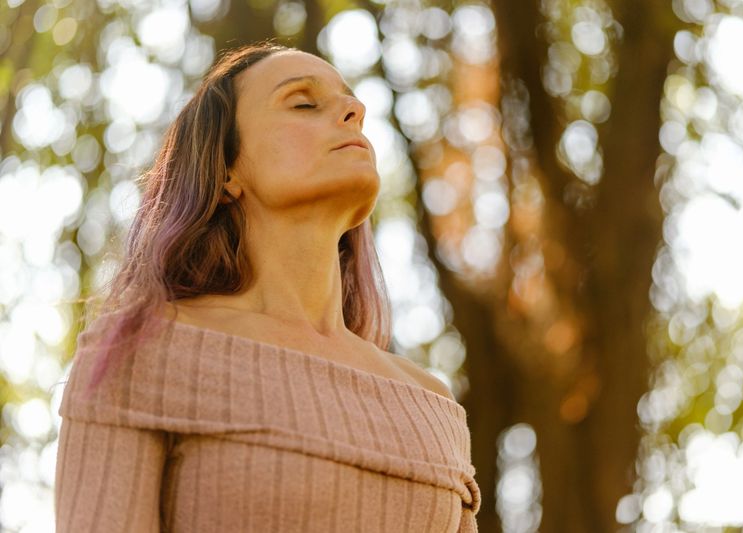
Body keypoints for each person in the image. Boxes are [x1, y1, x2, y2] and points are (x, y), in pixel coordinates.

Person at [53, 40, 481, 532]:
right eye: (303, 103)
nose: (354, 110)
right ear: (225, 170)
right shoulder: (138, 351)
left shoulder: (430, 401)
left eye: (351, 105)